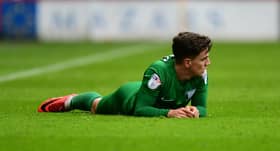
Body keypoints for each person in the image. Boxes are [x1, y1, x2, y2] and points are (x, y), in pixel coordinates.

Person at [38, 31, 212, 118]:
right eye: (204, 59)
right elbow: (140, 109)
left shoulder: (201, 74)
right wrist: (170, 113)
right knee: (96, 106)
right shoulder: (158, 72)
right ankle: (73, 100)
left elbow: (202, 108)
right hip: (129, 98)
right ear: (188, 62)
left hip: (149, 93)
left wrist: (195, 110)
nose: (208, 63)